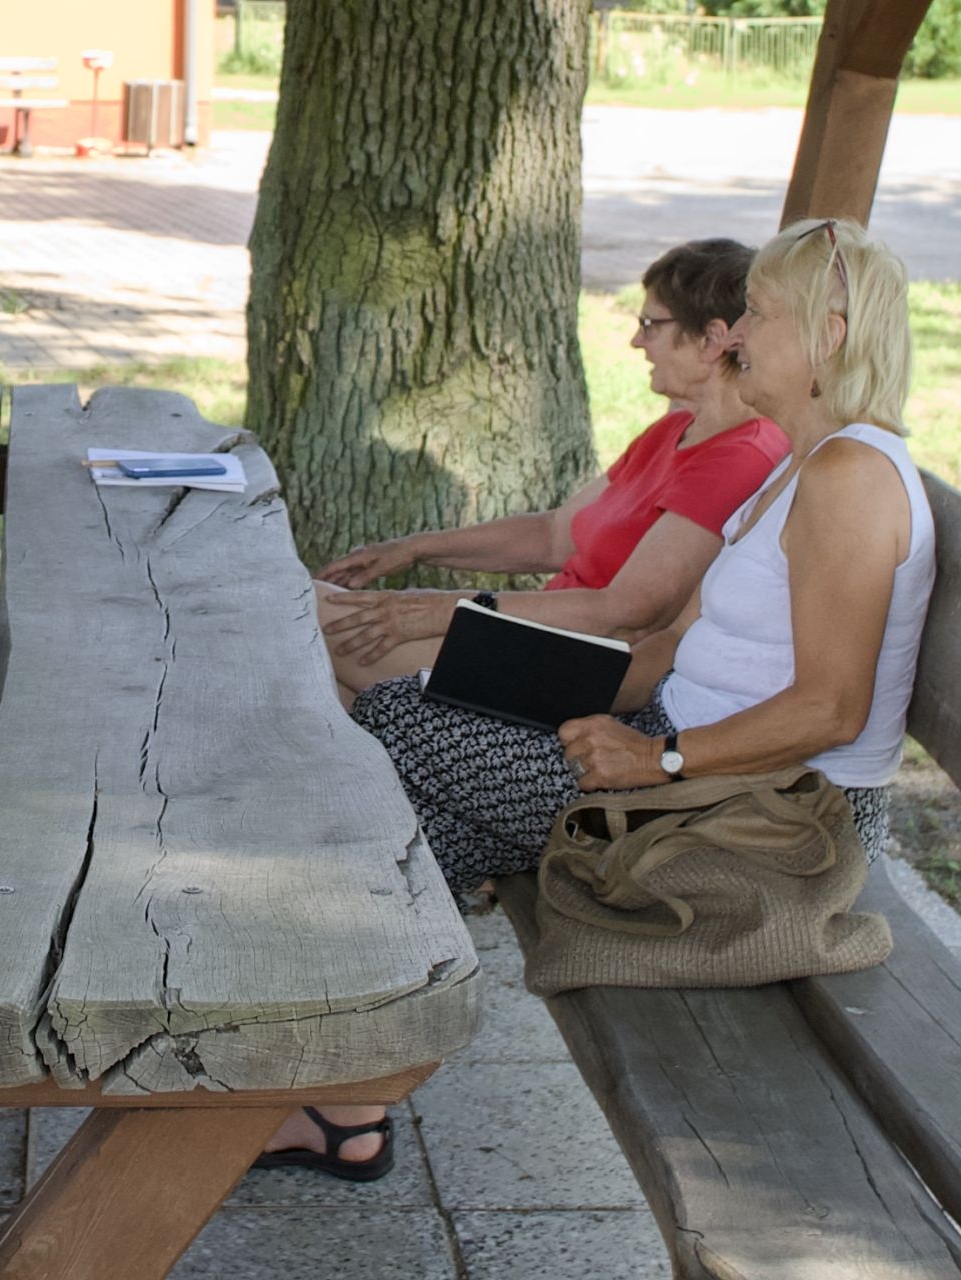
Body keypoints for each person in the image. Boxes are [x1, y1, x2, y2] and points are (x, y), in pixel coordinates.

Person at [303, 218, 930, 1182]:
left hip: (777, 810)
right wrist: (513, 678)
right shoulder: (799, 471)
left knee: (382, 731)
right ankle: (340, 1104)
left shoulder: (850, 475)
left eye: (758, 316)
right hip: (689, 752)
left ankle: (332, 1100)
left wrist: (658, 760)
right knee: (409, 811)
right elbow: (662, 653)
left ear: (832, 337)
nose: (735, 335)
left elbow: (831, 711)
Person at [315, 239, 788, 708]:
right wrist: (413, 550)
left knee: (302, 616)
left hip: (570, 672)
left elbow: (628, 611)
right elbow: (553, 536)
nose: (636, 340)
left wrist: (440, 612)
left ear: (712, 338)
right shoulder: (676, 429)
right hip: (533, 642)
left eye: (650, 324)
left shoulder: (742, 456)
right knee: (318, 685)